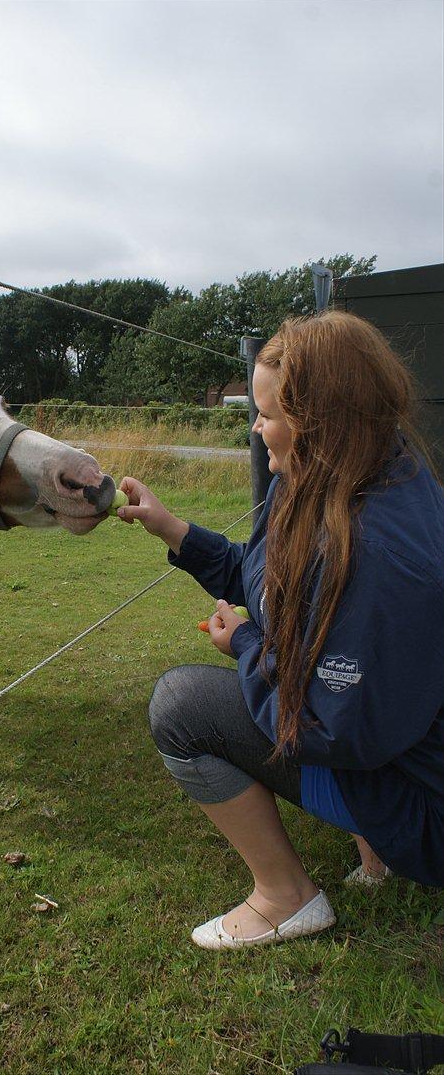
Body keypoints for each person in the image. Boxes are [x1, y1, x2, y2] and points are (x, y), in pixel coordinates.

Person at [117, 310, 444, 950]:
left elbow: (329, 728)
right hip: (399, 754)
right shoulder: (334, 477)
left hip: (428, 812)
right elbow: (271, 582)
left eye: (266, 412)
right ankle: (371, 855)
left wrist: (244, 645)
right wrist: (172, 529)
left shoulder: (382, 553)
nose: (255, 425)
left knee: (181, 706)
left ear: (318, 421)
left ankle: (285, 897)